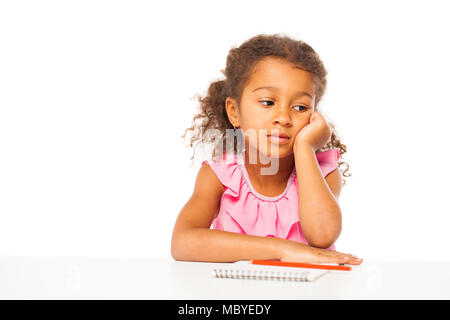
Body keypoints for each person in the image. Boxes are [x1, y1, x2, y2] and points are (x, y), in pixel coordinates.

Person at [171, 33, 362, 265]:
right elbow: (182, 242)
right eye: (268, 102)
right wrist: (282, 250)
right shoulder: (220, 175)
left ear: (314, 116)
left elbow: (322, 235)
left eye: (301, 107)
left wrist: (304, 147)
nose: (283, 117)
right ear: (234, 111)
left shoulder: (324, 172)